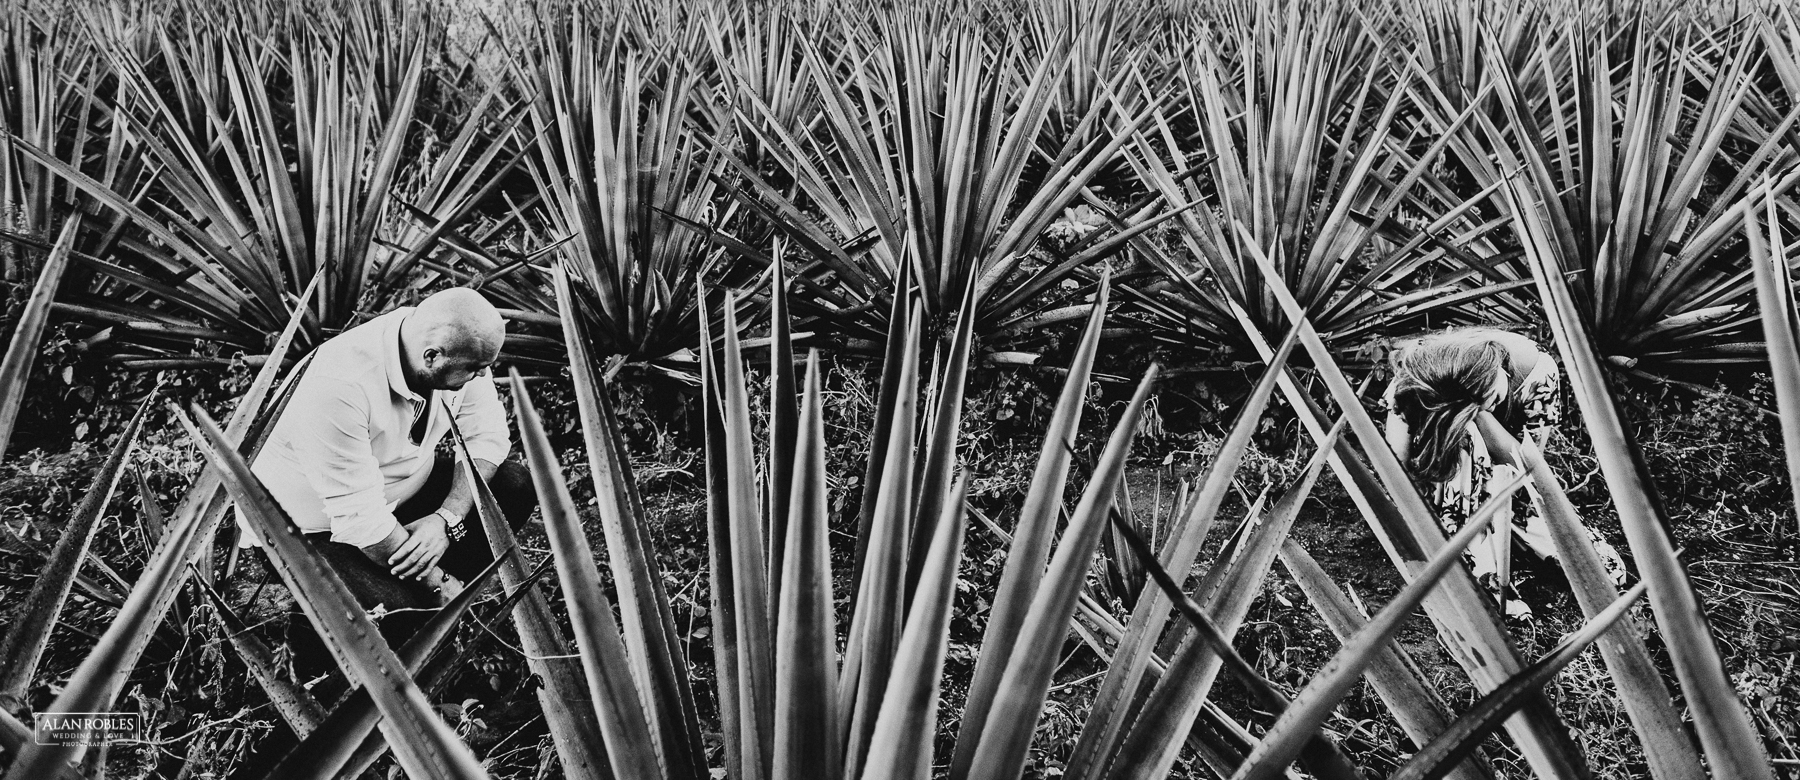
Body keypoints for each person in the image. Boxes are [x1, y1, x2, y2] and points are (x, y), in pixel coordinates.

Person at [251, 288, 536, 650]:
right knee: (401, 612)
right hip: (311, 529)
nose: (484, 377)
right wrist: (437, 580)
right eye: (476, 368)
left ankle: (438, 606)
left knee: (513, 485)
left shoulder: (447, 346)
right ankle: (321, 640)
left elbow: (487, 437)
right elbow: (359, 518)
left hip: (399, 498)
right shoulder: (338, 385)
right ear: (431, 357)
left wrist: (445, 520)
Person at [1380, 327, 1620, 614]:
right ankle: (1476, 568)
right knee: (1465, 437)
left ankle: (1486, 550)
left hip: (1509, 485)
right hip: (1446, 479)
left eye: (1489, 389)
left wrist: (1479, 413)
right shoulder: (1417, 379)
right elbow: (1396, 468)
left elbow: (1528, 470)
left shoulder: (1536, 371)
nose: (1487, 399)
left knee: (1608, 572)